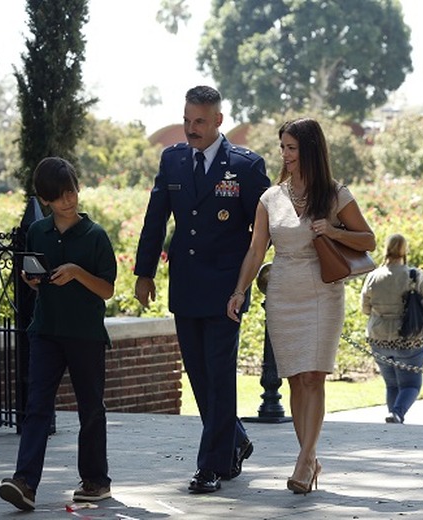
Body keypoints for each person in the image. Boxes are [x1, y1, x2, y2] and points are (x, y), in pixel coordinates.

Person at [227, 117, 376, 495]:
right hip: (283, 292)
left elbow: (368, 240)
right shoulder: (270, 198)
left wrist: (333, 229)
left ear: (309, 150)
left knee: (314, 377)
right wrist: (239, 291)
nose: (285, 155)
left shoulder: (335, 193)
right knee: (295, 379)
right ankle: (309, 458)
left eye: (291, 148)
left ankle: (304, 460)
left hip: (324, 291)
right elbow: (256, 250)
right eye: (283, 148)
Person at [133, 85, 270, 493]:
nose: (190, 129)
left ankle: (211, 466)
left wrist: (244, 283)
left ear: (217, 121)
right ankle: (237, 440)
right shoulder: (173, 160)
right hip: (187, 284)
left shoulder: (245, 166)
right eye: (187, 120)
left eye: (199, 122)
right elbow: (155, 218)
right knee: (198, 374)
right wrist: (144, 272)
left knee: (220, 375)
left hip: (227, 289)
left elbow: (263, 235)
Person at [0, 157, 117, 511]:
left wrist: (78, 272)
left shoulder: (95, 235)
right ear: (46, 200)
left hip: (85, 335)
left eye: (72, 191)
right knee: (36, 407)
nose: (69, 200)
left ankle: (96, 481)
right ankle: (25, 483)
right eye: (60, 195)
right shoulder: (37, 232)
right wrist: (32, 280)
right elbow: (36, 278)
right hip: (45, 331)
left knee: (90, 409)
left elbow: (107, 289)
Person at [360, 233, 423, 424]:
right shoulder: (414, 276)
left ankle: (393, 416)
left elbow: (365, 309)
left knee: (392, 384)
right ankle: (397, 413)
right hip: (409, 337)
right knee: (411, 384)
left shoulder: (373, 277)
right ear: (405, 250)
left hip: (378, 338)